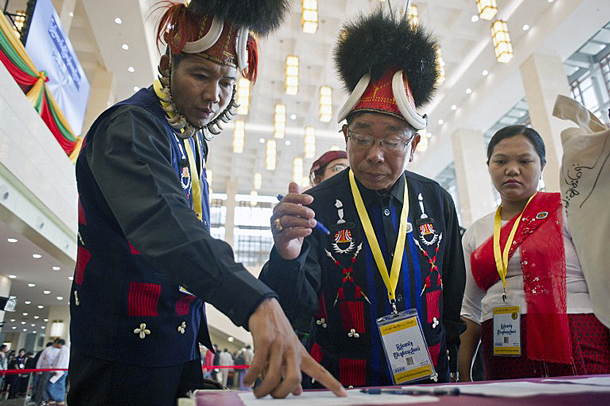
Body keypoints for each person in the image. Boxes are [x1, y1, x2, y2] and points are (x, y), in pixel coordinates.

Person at [67, 1, 344, 404]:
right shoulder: (129, 127)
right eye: (201, 74)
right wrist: (256, 300)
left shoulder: (190, 139)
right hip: (120, 356)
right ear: (169, 65)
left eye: (228, 82)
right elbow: (167, 225)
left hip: (177, 350)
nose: (214, 94)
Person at [260, 9, 465, 388]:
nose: (375, 154)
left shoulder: (436, 201)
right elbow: (292, 311)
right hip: (339, 387)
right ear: (345, 137)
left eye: (390, 140)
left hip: (426, 383)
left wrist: (454, 369)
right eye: (363, 137)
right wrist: (287, 256)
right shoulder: (314, 205)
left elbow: (453, 298)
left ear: (414, 144)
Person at [458, 125, 610, 381]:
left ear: (542, 164)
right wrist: (463, 376)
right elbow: (469, 309)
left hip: (577, 335)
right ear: (489, 166)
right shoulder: (476, 231)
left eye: (525, 160)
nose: (512, 169)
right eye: (501, 161)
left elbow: (602, 279)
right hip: (502, 345)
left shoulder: (568, 211)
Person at [45, 339, 69, 405]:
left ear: (59, 343)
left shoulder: (63, 350)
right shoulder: (64, 350)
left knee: (53, 384)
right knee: (59, 384)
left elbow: (61, 361)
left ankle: (56, 399)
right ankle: (57, 399)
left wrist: (57, 370)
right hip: (62, 370)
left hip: (60, 370)